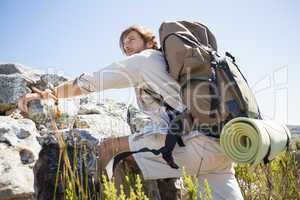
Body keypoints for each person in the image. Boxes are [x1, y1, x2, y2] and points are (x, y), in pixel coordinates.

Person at [18, 25, 244, 199]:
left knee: (109, 148)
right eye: (123, 42)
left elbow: (90, 82)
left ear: (148, 42)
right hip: (220, 145)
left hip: (192, 141)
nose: (126, 44)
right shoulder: (170, 66)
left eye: (131, 39)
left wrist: (49, 95)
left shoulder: (144, 60)